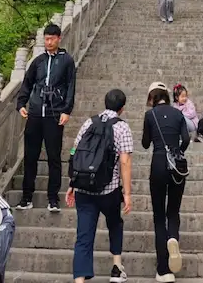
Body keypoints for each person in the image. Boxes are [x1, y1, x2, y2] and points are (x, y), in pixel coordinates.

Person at [66, 89, 134, 283]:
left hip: (84, 188)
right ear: (122, 108)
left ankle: (79, 280)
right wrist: (127, 193)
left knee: (83, 236)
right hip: (108, 190)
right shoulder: (122, 127)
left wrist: (72, 182)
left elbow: (75, 151)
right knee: (115, 223)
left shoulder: (89, 122)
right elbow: (125, 161)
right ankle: (116, 268)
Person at [16, 23, 76, 211]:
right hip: (35, 114)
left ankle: (53, 198)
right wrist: (21, 103)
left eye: (51, 39)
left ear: (59, 38)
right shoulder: (38, 61)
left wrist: (66, 110)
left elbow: (71, 86)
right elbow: (27, 83)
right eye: (46, 39)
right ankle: (26, 197)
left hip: (54, 114)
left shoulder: (67, 61)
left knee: (54, 157)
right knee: (30, 156)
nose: (48, 42)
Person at [142, 83, 190, 283]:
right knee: (173, 211)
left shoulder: (150, 115)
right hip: (177, 165)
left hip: (159, 164)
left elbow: (145, 143)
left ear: (152, 98)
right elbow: (186, 139)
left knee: (159, 216)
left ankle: (163, 270)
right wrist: (177, 152)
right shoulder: (178, 114)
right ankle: (173, 238)